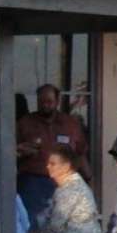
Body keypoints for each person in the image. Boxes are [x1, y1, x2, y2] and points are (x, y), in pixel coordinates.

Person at [16, 84, 86, 223]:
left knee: (63, 228)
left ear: (57, 101)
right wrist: (21, 151)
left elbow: (81, 153)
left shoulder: (70, 124)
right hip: (32, 182)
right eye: (41, 102)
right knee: (32, 226)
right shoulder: (25, 123)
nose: (45, 105)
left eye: (49, 101)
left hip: (63, 183)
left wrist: (85, 180)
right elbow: (10, 152)